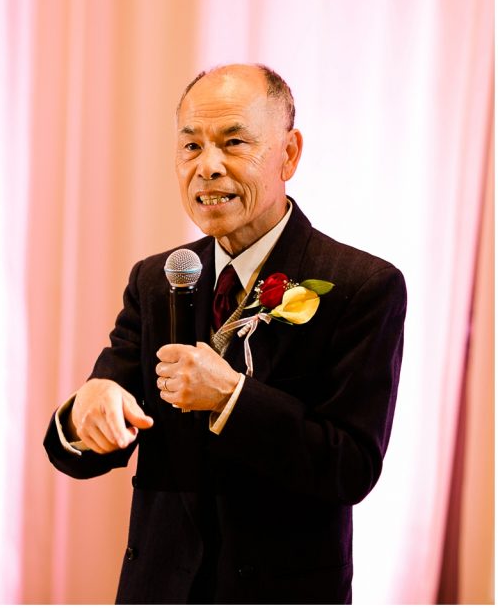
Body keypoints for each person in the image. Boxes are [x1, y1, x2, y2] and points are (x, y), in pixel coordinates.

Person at [43, 64, 406, 604]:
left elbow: (351, 467)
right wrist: (86, 413)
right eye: (191, 146)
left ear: (289, 154)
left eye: (234, 143)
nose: (207, 167)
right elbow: (85, 444)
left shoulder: (360, 285)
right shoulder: (157, 279)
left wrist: (233, 398)